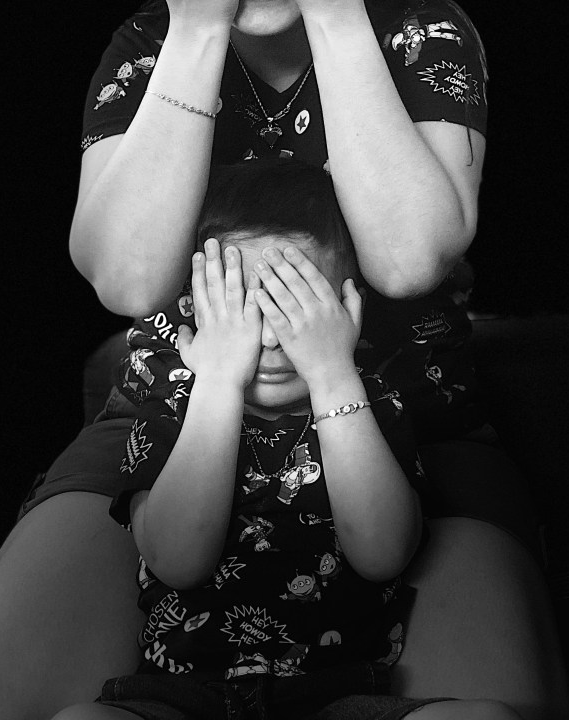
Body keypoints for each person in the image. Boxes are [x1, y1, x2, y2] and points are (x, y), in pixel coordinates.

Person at [0, 0, 569, 720]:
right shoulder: (146, 48)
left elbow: (407, 260)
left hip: (410, 422)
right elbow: (127, 279)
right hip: (173, 419)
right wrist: (195, 21)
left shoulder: (423, 32)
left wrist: (336, 8)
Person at [50, 159, 521, 720]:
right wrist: (218, 384)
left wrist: (333, 375)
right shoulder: (171, 411)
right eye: (242, 308)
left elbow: (383, 554)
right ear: (196, 309)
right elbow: (178, 560)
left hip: (345, 694)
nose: (272, 339)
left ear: (349, 311)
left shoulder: (370, 404)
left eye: (297, 307)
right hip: (181, 696)